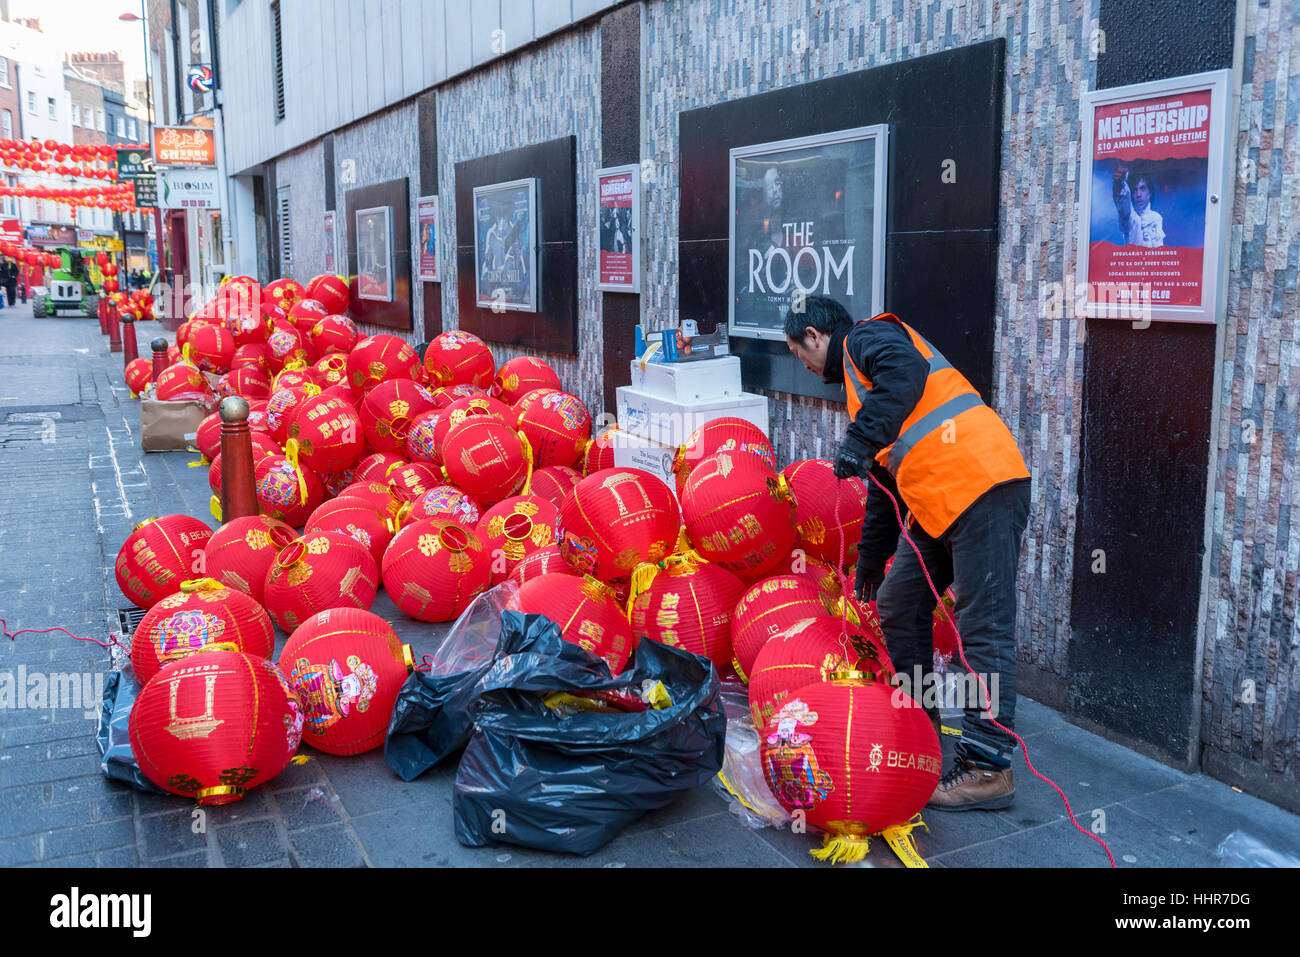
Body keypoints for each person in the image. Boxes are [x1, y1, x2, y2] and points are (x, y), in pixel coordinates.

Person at [785, 295, 1031, 811]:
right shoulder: (863, 392)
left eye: (798, 353)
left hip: (980, 484)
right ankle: (921, 731)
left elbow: (907, 372)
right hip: (939, 503)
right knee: (898, 603)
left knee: (983, 626)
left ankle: (988, 768)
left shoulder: (867, 339)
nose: (803, 368)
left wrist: (855, 440)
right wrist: (870, 560)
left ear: (814, 335)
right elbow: (884, 487)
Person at [1112, 162, 1165, 247]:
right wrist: (1118, 183)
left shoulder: (1156, 217)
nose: (1138, 194)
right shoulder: (1131, 217)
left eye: (1142, 188)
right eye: (1135, 190)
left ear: (1150, 192)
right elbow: (1122, 201)